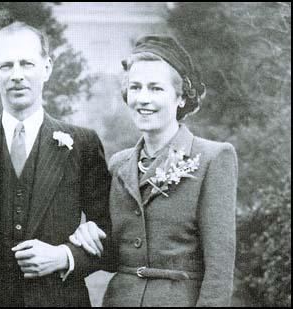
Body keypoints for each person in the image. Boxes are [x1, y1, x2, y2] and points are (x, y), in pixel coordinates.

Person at [0, 21, 111, 307]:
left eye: (27, 63)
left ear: (47, 68)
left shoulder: (83, 144)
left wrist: (64, 256)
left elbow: (112, 237)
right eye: (6, 66)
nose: (17, 75)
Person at [69, 35, 238, 307]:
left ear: (181, 97)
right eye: (135, 88)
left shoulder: (213, 158)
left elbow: (219, 270)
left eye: (156, 89)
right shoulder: (119, 164)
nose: (142, 99)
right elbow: (111, 253)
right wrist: (88, 233)